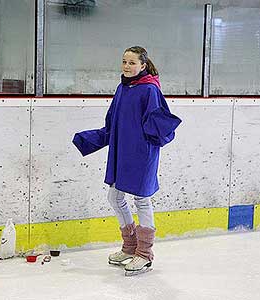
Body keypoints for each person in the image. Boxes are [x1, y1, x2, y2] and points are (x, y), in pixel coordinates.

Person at [73, 46, 181, 276]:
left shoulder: (150, 90)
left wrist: (144, 143)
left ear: (143, 65)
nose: (126, 66)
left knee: (142, 199)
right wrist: (94, 139)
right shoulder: (123, 87)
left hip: (141, 153)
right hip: (122, 151)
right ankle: (130, 246)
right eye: (124, 62)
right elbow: (113, 121)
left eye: (132, 63)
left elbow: (158, 124)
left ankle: (144, 254)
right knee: (115, 196)